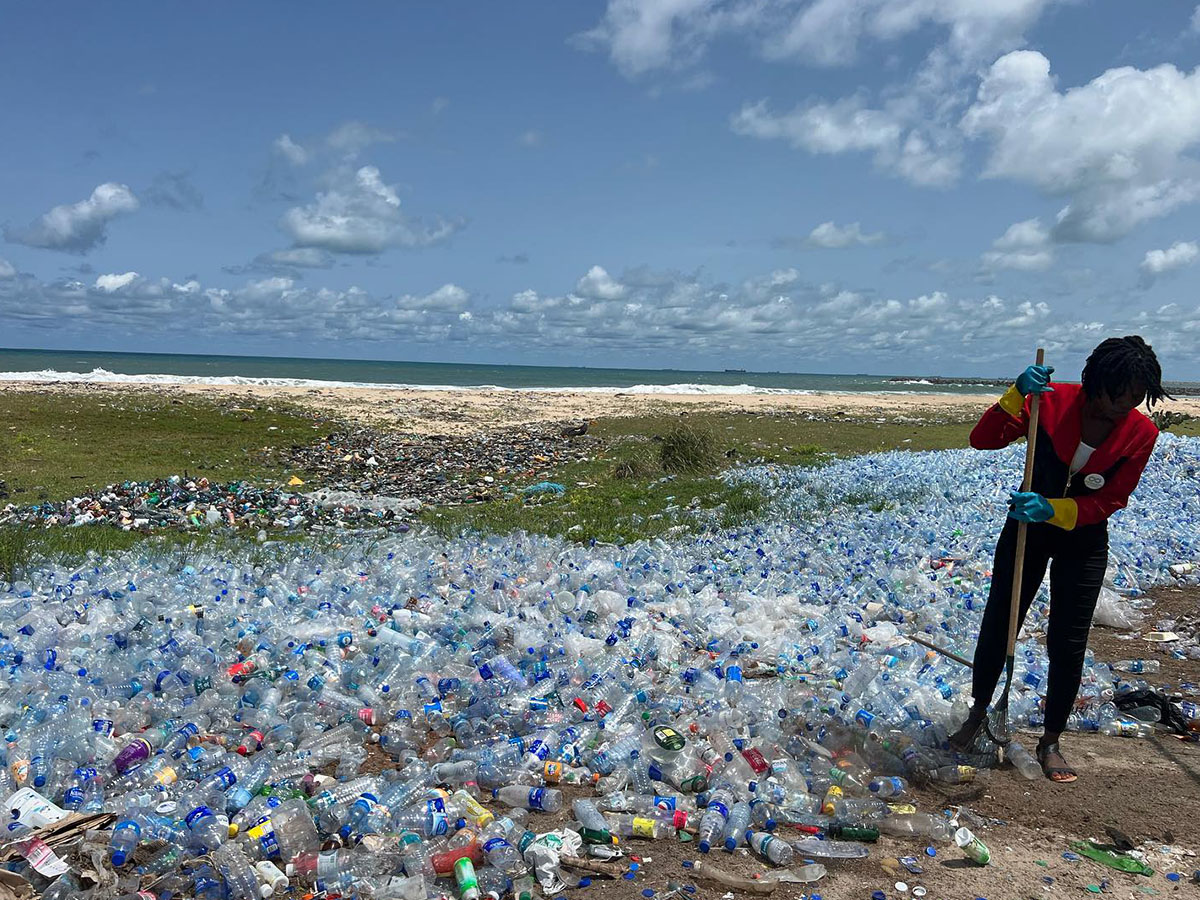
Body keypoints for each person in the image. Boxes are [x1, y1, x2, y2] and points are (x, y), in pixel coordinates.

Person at [948, 336, 1169, 782]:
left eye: (1132, 401)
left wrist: (1056, 509)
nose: (1120, 408)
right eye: (1113, 397)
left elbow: (1112, 499)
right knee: (1000, 624)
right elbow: (982, 439)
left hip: (1083, 540)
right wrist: (1016, 394)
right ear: (1093, 383)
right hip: (1026, 531)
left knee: (1067, 642)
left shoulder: (1141, 434)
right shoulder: (1051, 404)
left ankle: (1051, 740)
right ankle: (978, 715)